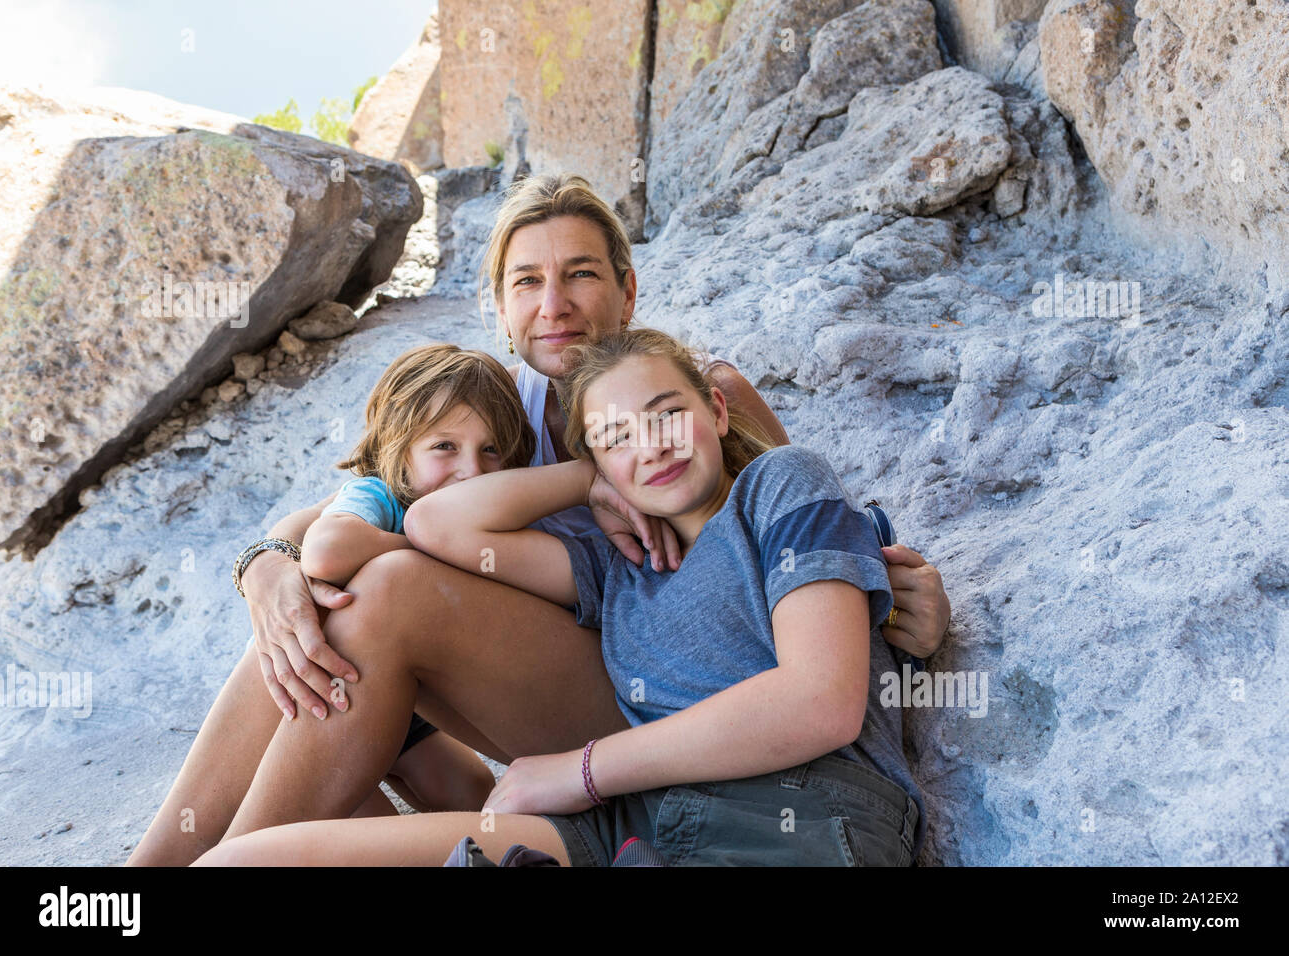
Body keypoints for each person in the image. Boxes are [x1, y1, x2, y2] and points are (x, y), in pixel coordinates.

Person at [128, 173, 949, 865]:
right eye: (527, 281)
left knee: (383, 593)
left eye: (583, 274)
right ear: (500, 305)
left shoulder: (703, 403)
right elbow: (367, 505)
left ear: (628, 290)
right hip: (600, 677)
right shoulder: (499, 413)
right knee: (324, 611)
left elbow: (803, 538)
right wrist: (268, 567)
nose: (555, 305)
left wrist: (903, 591)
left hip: (663, 704)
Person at [192, 327, 923, 865]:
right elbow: (434, 522)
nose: (652, 446)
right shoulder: (615, 563)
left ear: (718, 413)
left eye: (668, 413)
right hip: (623, 825)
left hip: (792, 818)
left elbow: (821, 700)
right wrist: (584, 482)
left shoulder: (779, 486)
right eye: (615, 436)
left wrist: (576, 770)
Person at [299, 342, 537, 814]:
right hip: (324, 685)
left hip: (409, 694)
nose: (471, 470)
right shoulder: (378, 496)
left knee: (470, 795)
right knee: (346, 816)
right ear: (398, 450)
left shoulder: (495, 512)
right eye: (444, 446)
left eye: (491, 450)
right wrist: (438, 548)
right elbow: (325, 551)